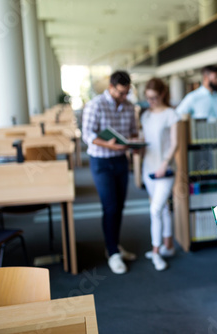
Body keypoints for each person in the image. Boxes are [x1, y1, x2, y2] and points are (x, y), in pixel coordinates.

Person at [82, 70, 138, 275]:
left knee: (119, 206)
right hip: (101, 161)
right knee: (110, 206)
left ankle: (114, 245)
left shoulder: (130, 106)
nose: (124, 97)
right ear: (111, 88)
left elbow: (132, 131)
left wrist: (135, 143)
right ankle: (113, 252)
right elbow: (87, 134)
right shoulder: (95, 105)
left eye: (127, 93)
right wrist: (108, 144)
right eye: (121, 93)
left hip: (120, 160)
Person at [140, 78, 180, 271]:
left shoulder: (171, 114)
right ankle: (169, 246)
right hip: (148, 167)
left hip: (165, 170)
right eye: (148, 98)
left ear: (163, 94)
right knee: (163, 209)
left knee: (155, 210)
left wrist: (165, 163)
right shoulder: (145, 115)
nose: (151, 101)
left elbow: (175, 143)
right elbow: (146, 140)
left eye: (154, 97)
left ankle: (155, 252)